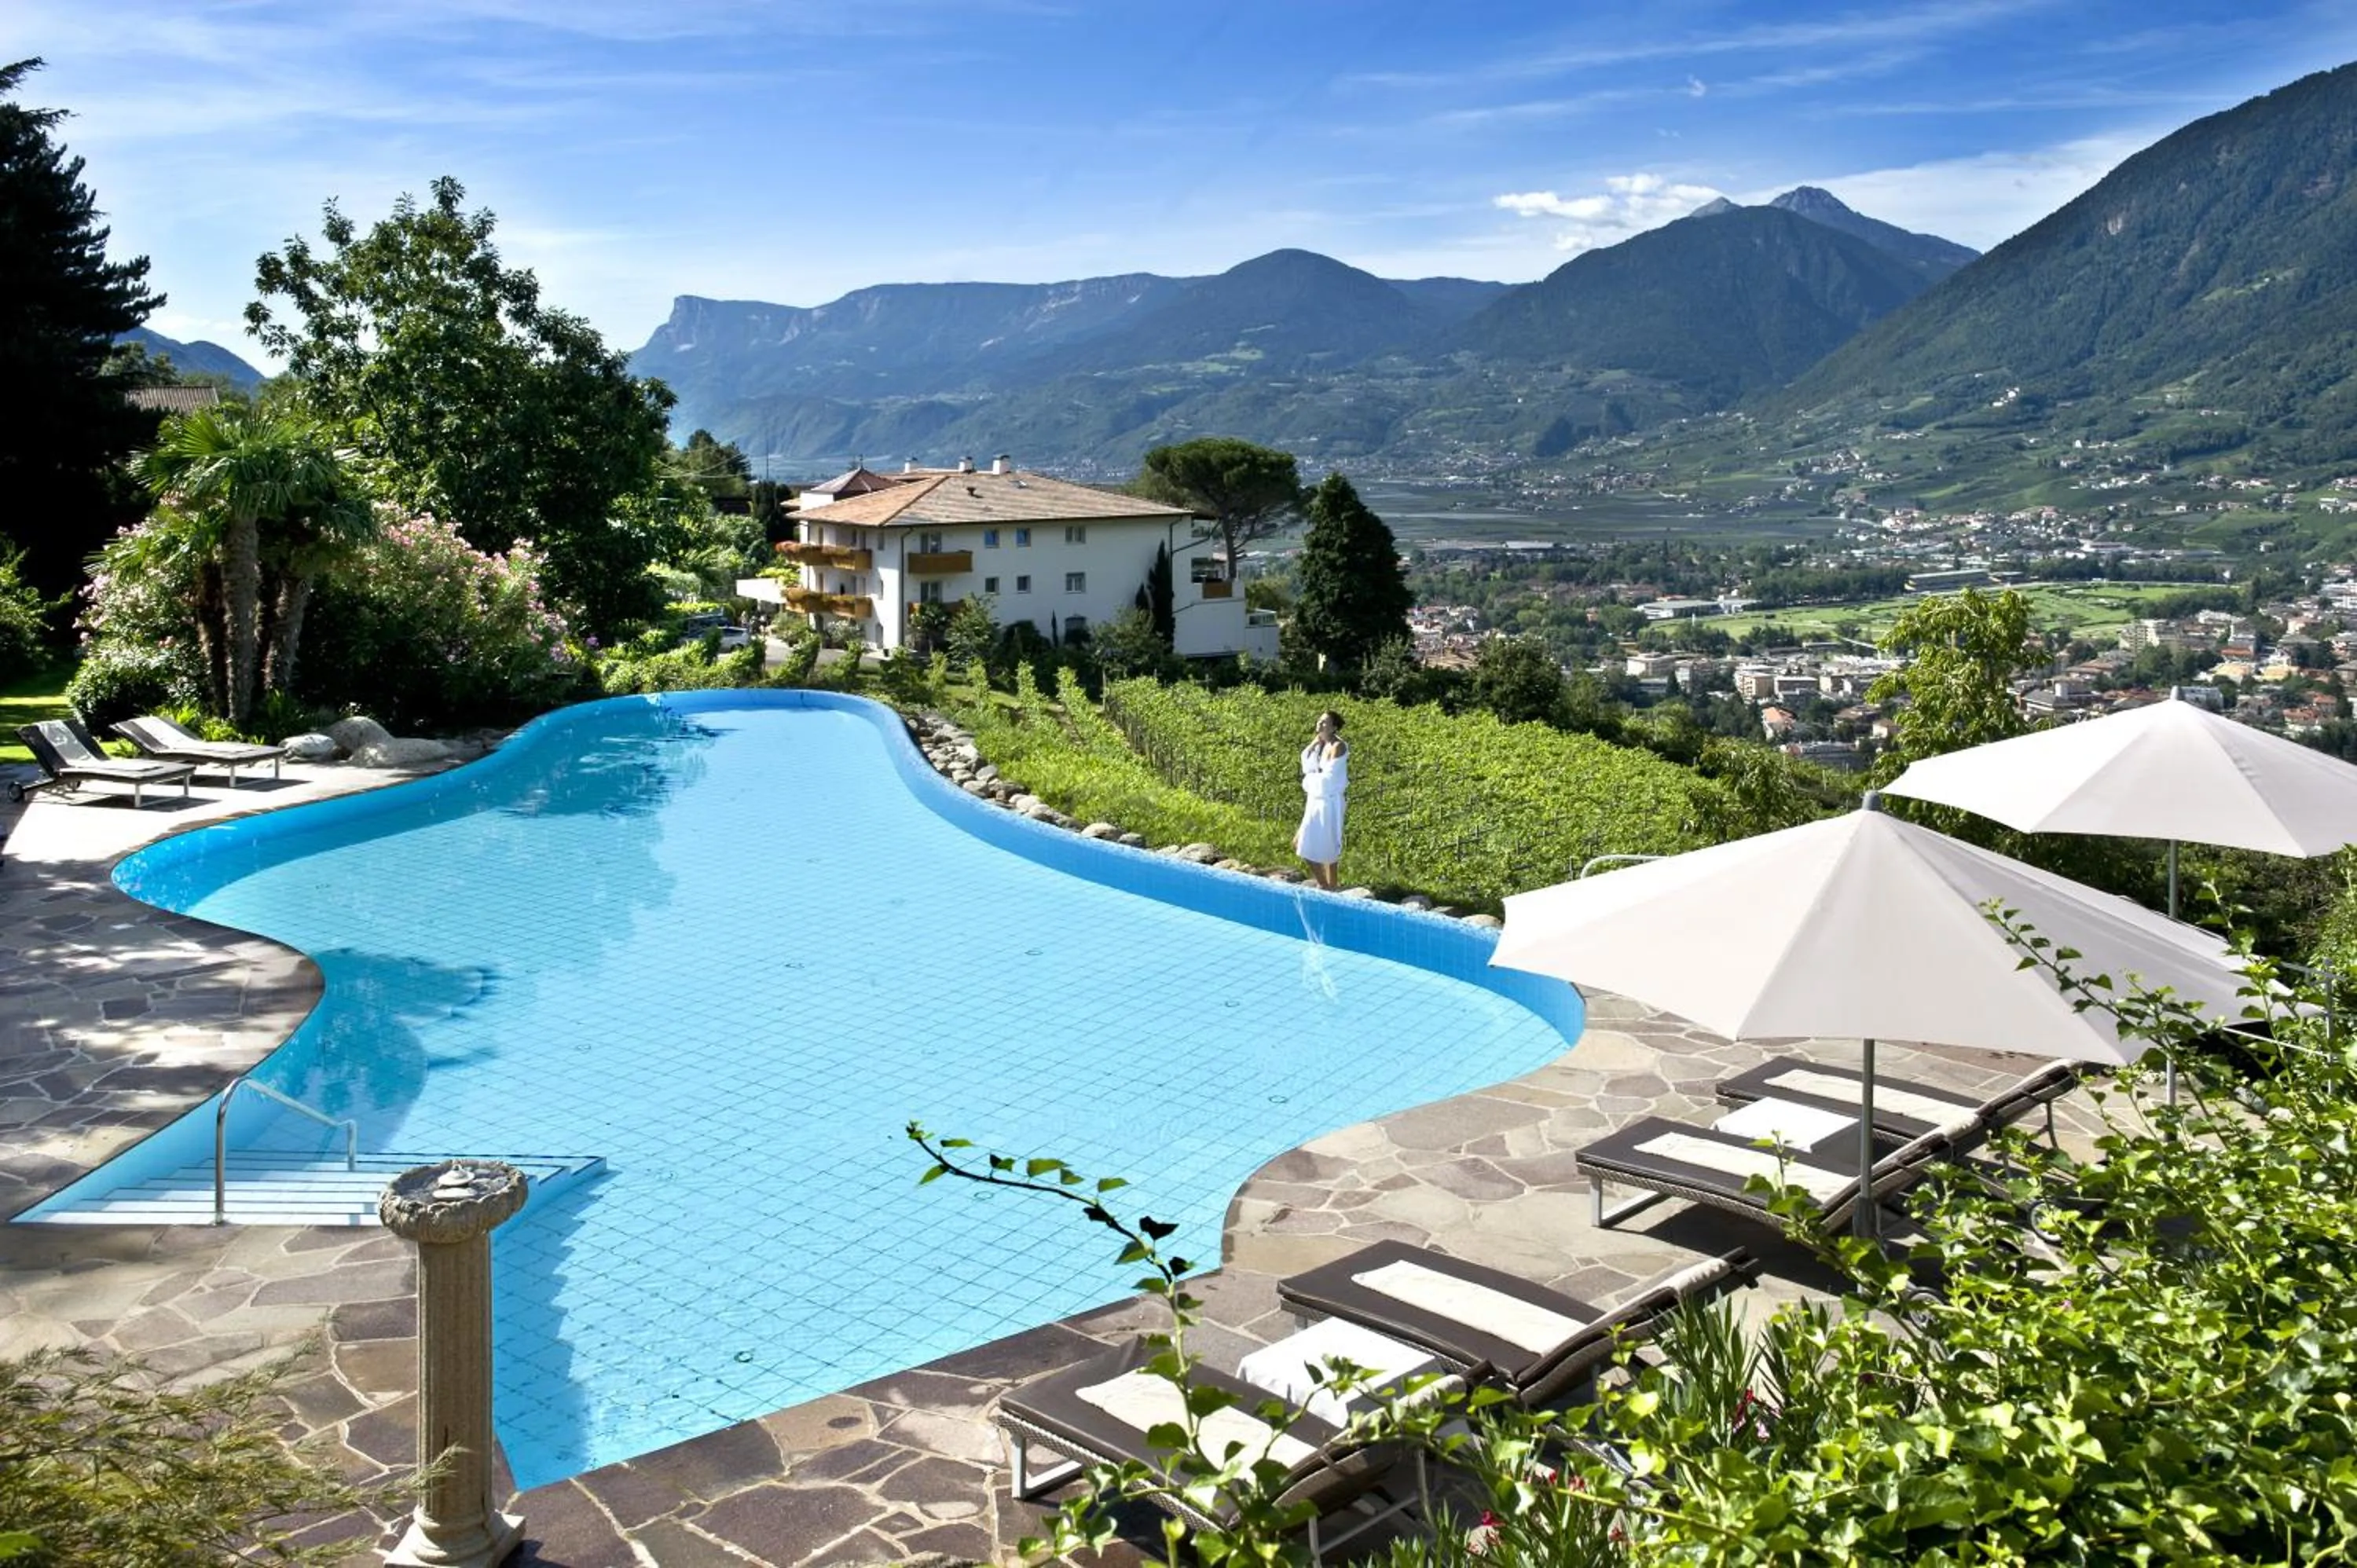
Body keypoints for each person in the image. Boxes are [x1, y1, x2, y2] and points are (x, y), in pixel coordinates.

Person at [1294, 709, 1349, 890]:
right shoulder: (1322, 745)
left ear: (1334, 727)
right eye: (1319, 721)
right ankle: (1330, 885)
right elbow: (1307, 764)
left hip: (1328, 802)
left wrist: (1309, 780)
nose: (1320, 724)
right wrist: (1314, 742)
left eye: (1325, 722)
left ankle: (1326, 885)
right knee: (1316, 844)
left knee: (1312, 844)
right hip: (1316, 799)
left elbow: (1328, 780)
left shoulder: (1338, 747)